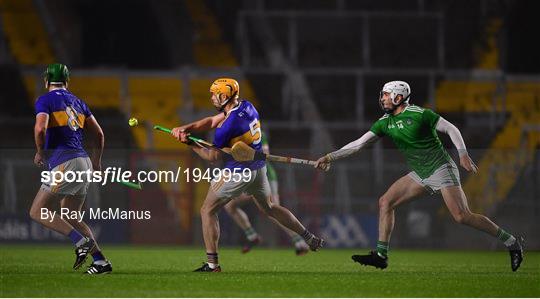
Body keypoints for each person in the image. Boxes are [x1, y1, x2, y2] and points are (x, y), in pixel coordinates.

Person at [315, 81, 524, 271]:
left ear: (398, 97)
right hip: (421, 173)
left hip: (441, 168)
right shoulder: (384, 122)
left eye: (386, 95)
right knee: (385, 202)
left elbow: (451, 129)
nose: (382, 98)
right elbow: (358, 144)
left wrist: (463, 154)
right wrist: (330, 157)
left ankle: (511, 242)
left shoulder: (420, 114)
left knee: (462, 217)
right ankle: (381, 255)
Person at [171, 78, 324, 272]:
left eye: (214, 94)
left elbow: (212, 157)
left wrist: (190, 144)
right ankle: (309, 237)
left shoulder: (227, 127)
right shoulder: (246, 106)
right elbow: (211, 121)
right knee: (270, 208)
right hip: (259, 171)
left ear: (223, 96)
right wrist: (187, 129)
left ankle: (212, 264)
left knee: (207, 210)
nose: (211, 97)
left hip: (237, 173)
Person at [30, 63, 112, 274]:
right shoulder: (79, 102)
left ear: (46, 81)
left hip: (64, 162)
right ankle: (101, 262)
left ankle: (79, 241)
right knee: (71, 215)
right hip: (83, 161)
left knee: (38, 211)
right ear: (67, 81)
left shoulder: (45, 100)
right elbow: (100, 135)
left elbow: (40, 128)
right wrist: (97, 162)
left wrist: (40, 152)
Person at [224, 133, 310, 255]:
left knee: (273, 211)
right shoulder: (232, 135)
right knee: (230, 205)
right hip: (249, 177)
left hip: (265, 176)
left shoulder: (256, 132)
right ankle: (252, 236)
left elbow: (265, 152)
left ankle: (299, 241)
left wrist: (244, 153)